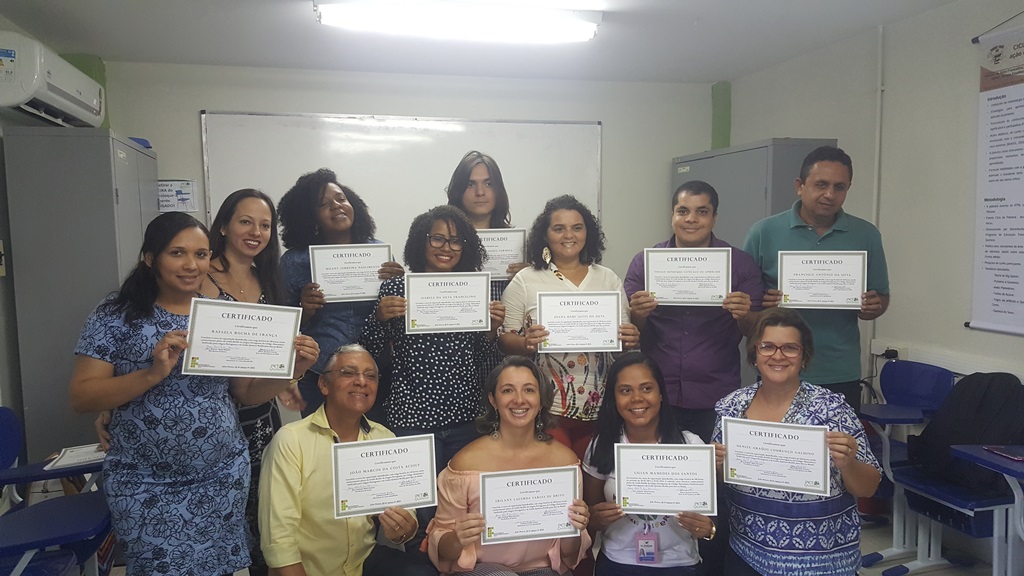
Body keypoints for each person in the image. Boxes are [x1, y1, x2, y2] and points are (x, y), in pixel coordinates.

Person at [69, 212, 319, 576]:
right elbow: (82, 397)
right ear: (150, 258)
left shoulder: (222, 313)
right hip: (145, 482)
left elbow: (247, 393)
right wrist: (152, 374)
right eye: (177, 253)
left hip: (221, 475)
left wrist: (292, 371)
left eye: (201, 255)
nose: (191, 265)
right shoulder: (115, 314)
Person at [360, 205, 505, 548]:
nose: (446, 248)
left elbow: (483, 360)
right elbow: (370, 352)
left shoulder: (474, 289)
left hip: (464, 418)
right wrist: (380, 318)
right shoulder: (397, 287)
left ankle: (459, 567)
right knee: (417, 514)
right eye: (438, 238)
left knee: (461, 508)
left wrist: (490, 333)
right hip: (412, 416)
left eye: (456, 242)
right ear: (421, 241)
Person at [712, 307, 882, 576]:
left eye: (790, 348)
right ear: (755, 353)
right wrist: (715, 465)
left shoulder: (831, 409)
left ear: (804, 357)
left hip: (821, 562)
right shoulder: (732, 407)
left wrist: (848, 464)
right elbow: (723, 479)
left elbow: (869, 487)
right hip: (748, 554)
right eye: (767, 346)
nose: (778, 356)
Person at [258, 344, 438, 576]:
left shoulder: (384, 437)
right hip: (310, 569)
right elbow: (278, 538)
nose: (362, 381)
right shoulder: (291, 440)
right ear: (324, 384)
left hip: (362, 561)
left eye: (370, 376)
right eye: (349, 373)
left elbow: (406, 520)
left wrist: (403, 528)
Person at [743, 146, 889, 411]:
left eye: (839, 187)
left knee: (836, 451)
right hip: (778, 365)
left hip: (838, 369)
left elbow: (881, 297)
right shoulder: (763, 232)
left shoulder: (866, 234)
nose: (829, 195)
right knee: (777, 449)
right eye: (821, 184)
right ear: (800, 186)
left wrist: (870, 307)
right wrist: (767, 309)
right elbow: (745, 311)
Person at [499, 194, 639, 460]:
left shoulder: (607, 278)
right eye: (559, 228)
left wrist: (630, 339)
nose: (569, 235)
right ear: (545, 234)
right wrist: (525, 342)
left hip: (602, 407)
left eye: (577, 227)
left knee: (594, 481)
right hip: (547, 408)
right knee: (560, 482)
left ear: (588, 233)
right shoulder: (526, 280)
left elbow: (622, 344)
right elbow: (504, 339)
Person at [624, 180, 763, 443]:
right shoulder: (645, 263)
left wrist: (745, 314)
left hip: (717, 394)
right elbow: (630, 331)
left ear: (714, 217)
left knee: (714, 474)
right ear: (672, 215)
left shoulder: (740, 264)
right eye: (683, 211)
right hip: (656, 392)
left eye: (702, 211)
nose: (691, 219)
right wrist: (639, 313)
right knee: (661, 472)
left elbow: (754, 332)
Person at [427, 356, 591, 575]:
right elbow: (443, 548)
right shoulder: (466, 463)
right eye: (507, 391)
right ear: (493, 400)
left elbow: (568, 556)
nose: (519, 400)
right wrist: (457, 538)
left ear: (541, 399)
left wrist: (575, 529)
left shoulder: (565, 462)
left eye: (529, 390)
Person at [278, 168, 404, 417]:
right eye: (324, 204)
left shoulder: (378, 253)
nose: (336, 206)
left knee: (372, 446)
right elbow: (281, 327)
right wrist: (305, 311)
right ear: (310, 217)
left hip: (374, 371)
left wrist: (400, 284)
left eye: (341, 199)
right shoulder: (295, 261)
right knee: (324, 448)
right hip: (321, 374)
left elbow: (395, 318)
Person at [583, 352, 718, 576]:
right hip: (618, 562)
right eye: (626, 390)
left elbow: (709, 521)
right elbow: (589, 514)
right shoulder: (602, 445)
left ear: (661, 394)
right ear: (614, 398)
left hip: (679, 564)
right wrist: (595, 519)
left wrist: (708, 529)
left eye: (647, 388)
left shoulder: (691, 444)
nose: (637, 398)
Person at [445, 150, 527, 384]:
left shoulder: (521, 245)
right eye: (471, 184)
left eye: (488, 184)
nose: (480, 192)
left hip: (508, 359)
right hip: (457, 357)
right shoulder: (442, 245)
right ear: (458, 191)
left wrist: (529, 276)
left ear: (498, 191)